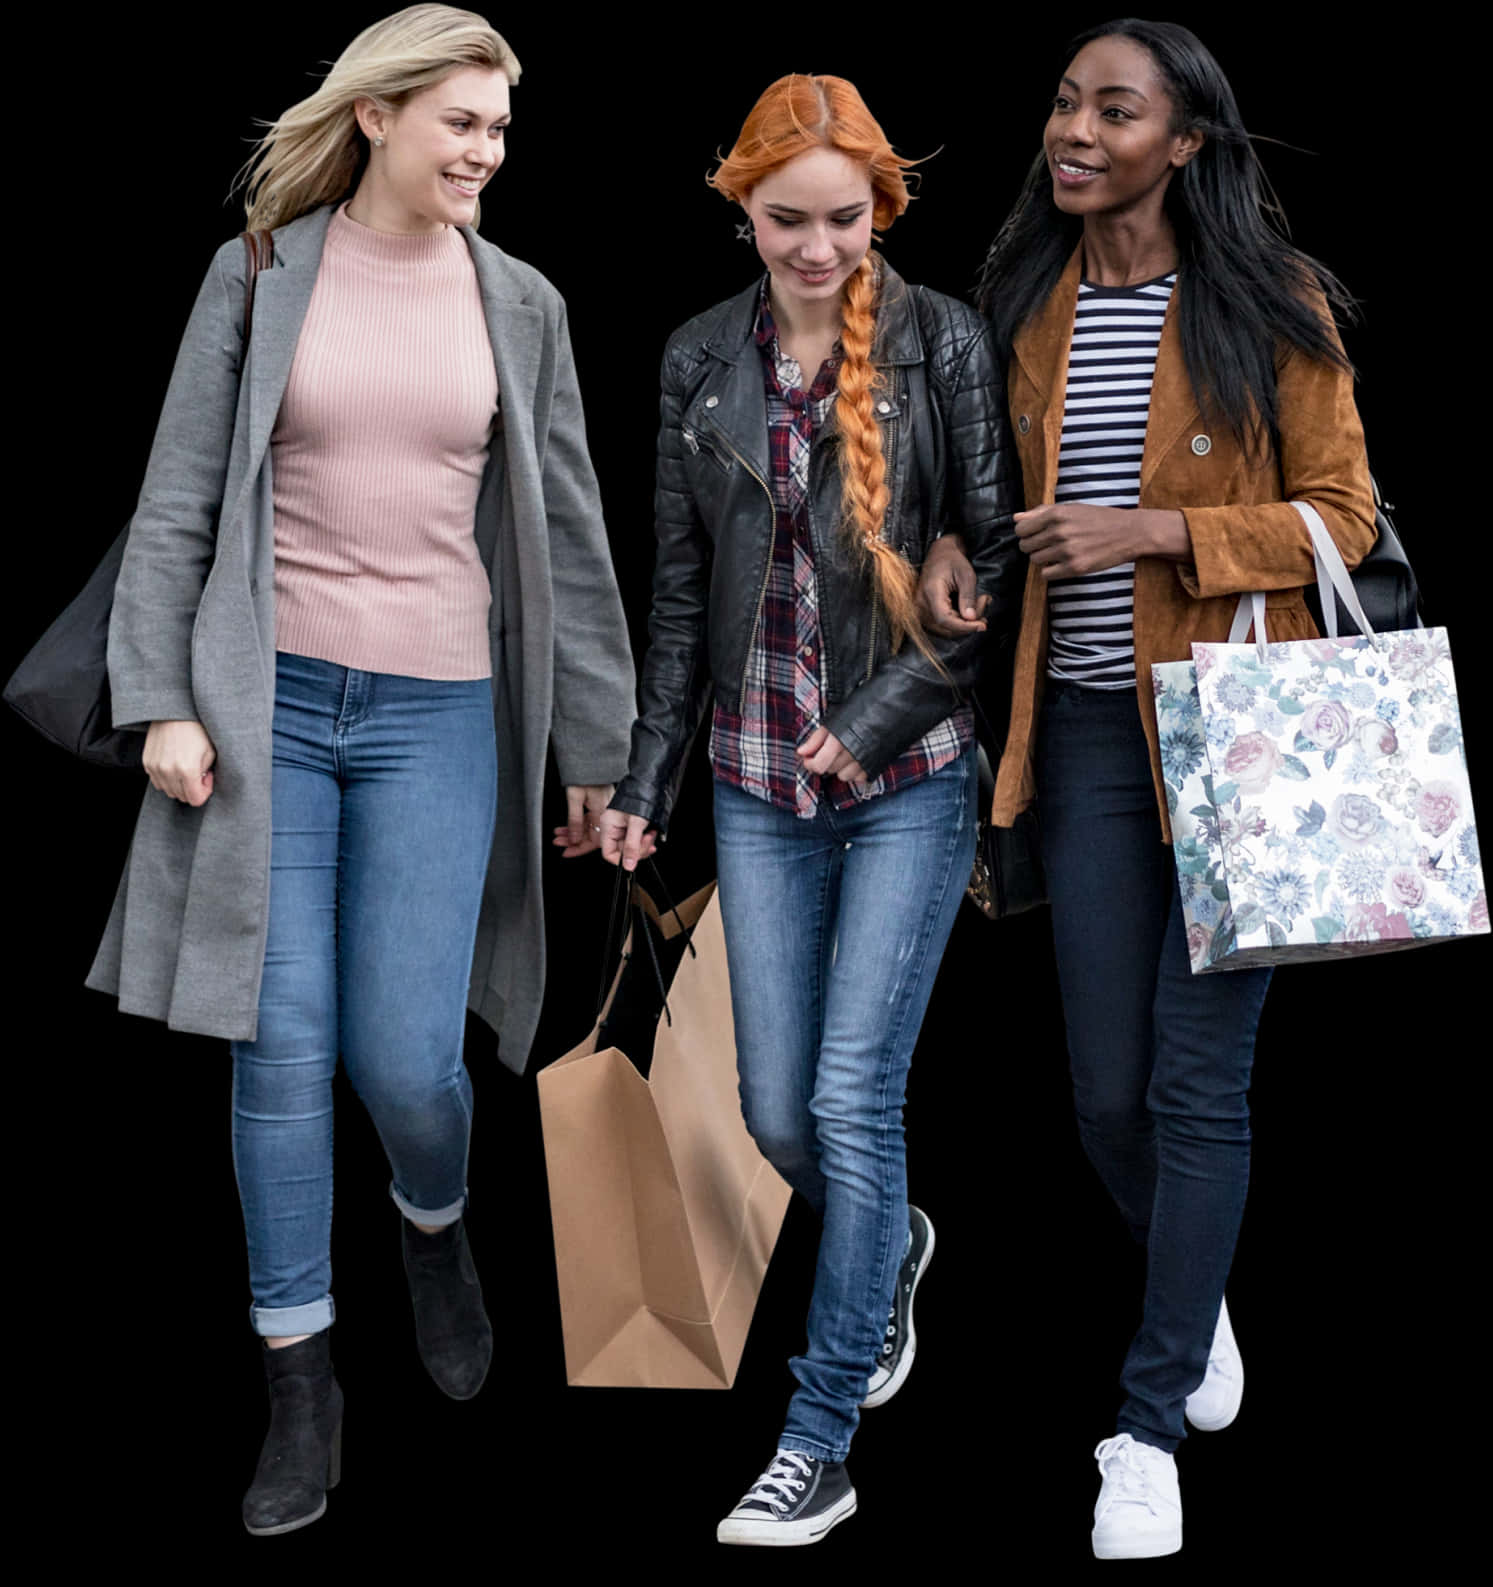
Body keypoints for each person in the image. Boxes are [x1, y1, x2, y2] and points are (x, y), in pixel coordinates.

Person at [83, 4, 635, 1537]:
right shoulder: (260, 275)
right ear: (379, 116)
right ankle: (300, 1384)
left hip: (440, 711)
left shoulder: (519, 301)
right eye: (462, 122)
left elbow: (571, 539)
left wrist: (592, 749)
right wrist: (163, 703)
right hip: (268, 707)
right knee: (277, 1049)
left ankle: (434, 1222)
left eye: (501, 131)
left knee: (405, 1060)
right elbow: (181, 493)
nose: (486, 152)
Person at [917, 18, 1376, 1561]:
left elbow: (1343, 516)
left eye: (1113, 110)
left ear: (1182, 142)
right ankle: (1197, 1288)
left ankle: (1144, 1421)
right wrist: (952, 565)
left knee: (1196, 1088)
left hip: (1236, 738)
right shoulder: (1021, 305)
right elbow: (981, 507)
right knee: (1103, 1093)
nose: (1074, 129)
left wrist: (1157, 535)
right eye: (1062, 102)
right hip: (1085, 744)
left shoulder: (1270, 302)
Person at [598, 74, 1020, 1547]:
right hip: (751, 783)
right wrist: (646, 784)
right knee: (780, 1112)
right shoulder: (696, 359)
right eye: (788, 219)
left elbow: (990, 575)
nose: (818, 246)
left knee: (849, 1099)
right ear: (740, 211)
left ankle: (818, 1436)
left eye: (845, 218)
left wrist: (874, 718)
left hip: (904, 785)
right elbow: (670, 596)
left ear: (878, 214)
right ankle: (887, 1238)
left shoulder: (940, 343)